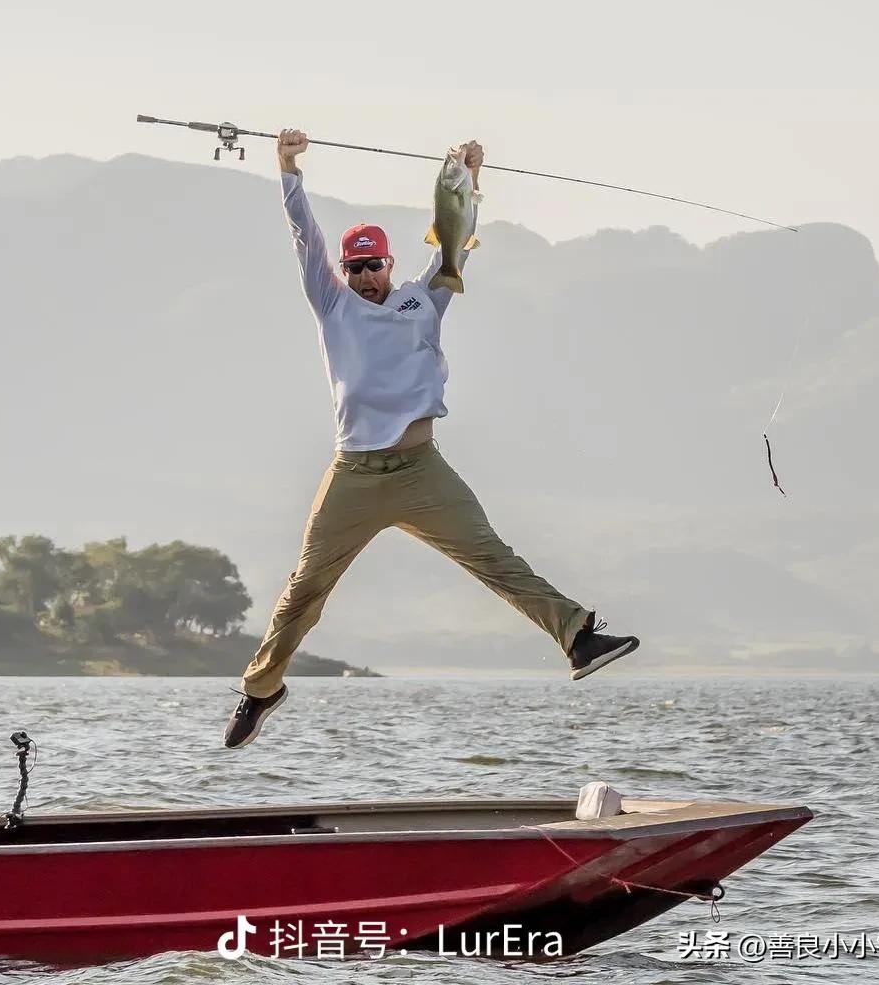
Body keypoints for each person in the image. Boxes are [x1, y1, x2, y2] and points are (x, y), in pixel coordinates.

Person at [223, 129, 640, 749]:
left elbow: (456, 241)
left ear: (391, 264)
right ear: (344, 271)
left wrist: (471, 178)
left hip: (421, 471)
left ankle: (578, 639)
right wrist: (287, 167)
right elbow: (303, 236)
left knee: (494, 559)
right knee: (304, 589)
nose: (365, 276)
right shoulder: (332, 306)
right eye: (355, 267)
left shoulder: (425, 298)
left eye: (375, 265)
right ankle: (261, 690)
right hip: (356, 475)